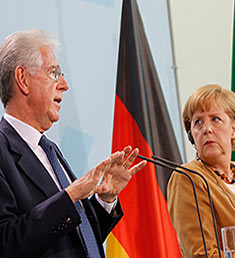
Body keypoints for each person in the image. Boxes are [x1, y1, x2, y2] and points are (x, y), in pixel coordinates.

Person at [0, 29, 146, 258]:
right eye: (54, 73)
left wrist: (105, 199)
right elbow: (6, 242)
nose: (64, 85)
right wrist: (70, 196)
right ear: (23, 79)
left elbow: (77, 237)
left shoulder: (49, 150)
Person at [167, 84, 235, 257]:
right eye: (198, 122)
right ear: (191, 135)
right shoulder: (188, 178)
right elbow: (201, 254)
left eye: (215, 119)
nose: (207, 129)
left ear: (234, 128)